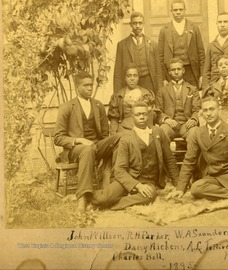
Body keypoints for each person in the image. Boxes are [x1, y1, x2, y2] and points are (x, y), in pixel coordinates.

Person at [91, 102, 179, 210]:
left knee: (150, 196)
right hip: (129, 178)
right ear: (132, 117)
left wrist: (178, 185)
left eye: (144, 114)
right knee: (102, 198)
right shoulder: (126, 138)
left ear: (149, 115)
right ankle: (90, 198)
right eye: (138, 114)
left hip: (149, 181)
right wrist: (137, 185)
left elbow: (169, 159)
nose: (141, 117)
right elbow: (119, 170)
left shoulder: (159, 132)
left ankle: (112, 205)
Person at [54, 72, 121, 212]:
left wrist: (105, 155)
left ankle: (111, 182)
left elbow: (104, 135)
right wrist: (79, 140)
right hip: (76, 150)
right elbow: (58, 138)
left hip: (96, 146)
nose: (90, 88)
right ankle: (83, 197)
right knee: (87, 149)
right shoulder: (67, 107)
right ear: (77, 87)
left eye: (91, 85)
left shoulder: (98, 106)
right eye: (86, 85)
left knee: (121, 137)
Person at [158, 0, 205, 89]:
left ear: (185, 10)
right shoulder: (164, 30)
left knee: (192, 98)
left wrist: (201, 75)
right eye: (175, 10)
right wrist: (163, 78)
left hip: (191, 71)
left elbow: (201, 54)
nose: (178, 12)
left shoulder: (194, 28)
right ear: (171, 11)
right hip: (171, 72)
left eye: (181, 9)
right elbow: (160, 57)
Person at [113, 11, 162, 94]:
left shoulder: (153, 44)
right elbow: (117, 72)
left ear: (143, 24)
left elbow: (158, 71)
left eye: (140, 23)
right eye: (135, 23)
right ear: (130, 24)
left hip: (148, 82)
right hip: (130, 83)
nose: (137, 26)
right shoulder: (122, 45)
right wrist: (117, 94)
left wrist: (160, 91)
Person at [155, 58, 201, 144]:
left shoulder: (192, 89)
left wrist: (194, 119)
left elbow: (197, 109)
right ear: (169, 72)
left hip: (186, 124)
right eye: (173, 69)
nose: (176, 72)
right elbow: (158, 111)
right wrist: (166, 119)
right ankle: (167, 157)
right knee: (161, 132)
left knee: (195, 132)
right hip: (169, 125)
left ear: (183, 70)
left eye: (179, 69)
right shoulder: (162, 91)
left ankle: (190, 158)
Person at [108, 63, 156, 135]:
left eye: (135, 76)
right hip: (125, 128)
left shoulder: (146, 94)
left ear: (138, 77)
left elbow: (154, 115)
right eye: (129, 76)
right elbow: (114, 119)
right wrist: (113, 135)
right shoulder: (118, 96)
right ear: (125, 78)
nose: (132, 79)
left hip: (143, 127)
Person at [202, 55, 228, 125]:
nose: (223, 66)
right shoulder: (213, 85)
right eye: (220, 65)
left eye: (226, 64)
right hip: (217, 121)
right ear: (217, 69)